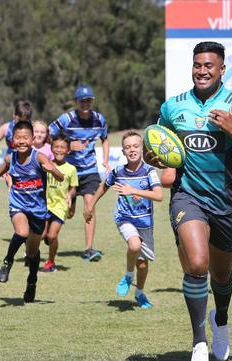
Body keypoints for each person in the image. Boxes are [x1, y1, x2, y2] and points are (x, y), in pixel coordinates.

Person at [152, 41, 232, 361]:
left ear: (222, 70)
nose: (202, 71)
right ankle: (198, 342)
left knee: (221, 276)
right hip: (188, 197)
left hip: (227, 201)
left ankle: (222, 319)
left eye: (209, 66)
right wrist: (154, 157)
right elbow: (159, 145)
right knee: (198, 264)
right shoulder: (173, 107)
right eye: (198, 65)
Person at [0, 121, 64, 302]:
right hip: (18, 206)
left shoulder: (39, 158)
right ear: (12, 139)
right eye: (18, 138)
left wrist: (51, 169)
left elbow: (60, 177)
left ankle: (32, 281)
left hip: (38, 211)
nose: (21, 141)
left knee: (31, 253)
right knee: (21, 232)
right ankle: (7, 261)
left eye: (25, 138)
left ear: (32, 139)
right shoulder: (10, 158)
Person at [85, 131, 163, 309]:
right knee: (134, 245)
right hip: (124, 218)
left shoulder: (149, 171)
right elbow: (104, 186)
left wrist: (133, 191)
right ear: (123, 151)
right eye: (128, 147)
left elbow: (158, 196)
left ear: (142, 148)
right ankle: (128, 275)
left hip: (145, 223)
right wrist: (91, 205)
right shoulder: (118, 171)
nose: (132, 150)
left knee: (142, 265)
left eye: (136, 146)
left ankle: (139, 292)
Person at [49, 84, 110, 262]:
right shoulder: (66, 118)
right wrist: (67, 145)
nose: (85, 103)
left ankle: (88, 249)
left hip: (90, 170)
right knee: (69, 212)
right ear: (76, 102)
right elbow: (49, 133)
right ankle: (71, 204)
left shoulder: (99, 119)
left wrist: (105, 159)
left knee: (90, 207)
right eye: (82, 101)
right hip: (69, 171)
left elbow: (105, 139)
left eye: (88, 100)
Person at [40, 133, 79, 273]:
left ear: (68, 150)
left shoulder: (71, 169)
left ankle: (51, 262)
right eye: (56, 147)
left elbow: (74, 187)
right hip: (44, 204)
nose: (59, 150)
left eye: (63, 147)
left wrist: (70, 195)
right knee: (42, 235)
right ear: (51, 148)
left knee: (52, 235)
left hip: (60, 206)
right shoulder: (46, 165)